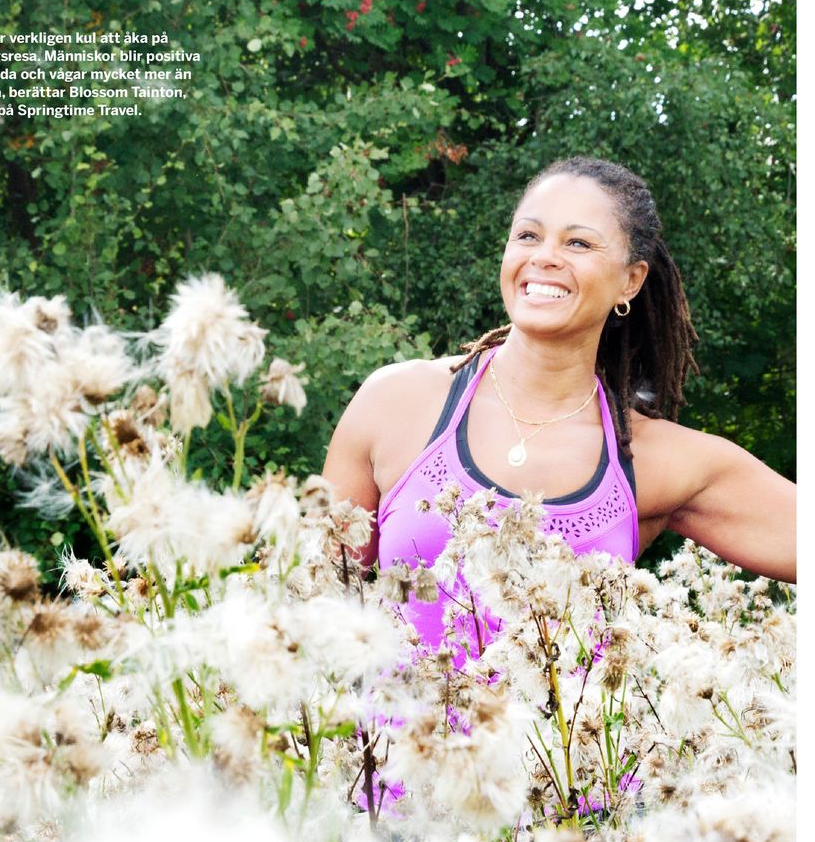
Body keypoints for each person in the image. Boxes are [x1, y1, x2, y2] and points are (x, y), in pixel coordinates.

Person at [323, 157, 796, 655]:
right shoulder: (396, 402)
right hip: (384, 734)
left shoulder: (659, 461)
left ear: (630, 281)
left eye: (578, 242)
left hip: (566, 736)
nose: (544, 257)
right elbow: (302, 597)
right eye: (527, 236)